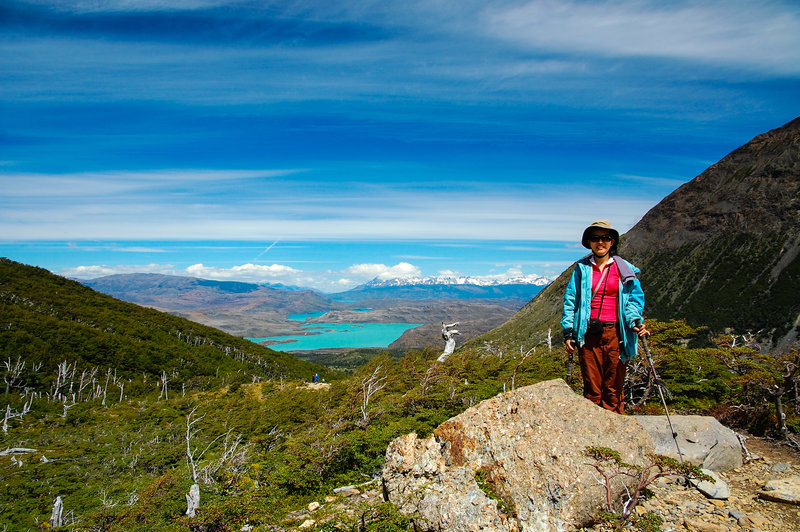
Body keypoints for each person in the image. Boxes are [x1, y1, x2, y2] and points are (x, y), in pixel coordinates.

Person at [561, 220, 649, 414]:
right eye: (595, 238)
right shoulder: (582, 269)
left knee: (613, 387)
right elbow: (571, 300)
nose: (600, 242)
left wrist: (634, 320)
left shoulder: (624, 269)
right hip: (588, 333)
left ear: (612, 242)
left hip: (616, 333)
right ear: (589, 242)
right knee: (591, 388)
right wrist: (569, 332)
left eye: (605, 238)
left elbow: (635, 298)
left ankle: (615, 430)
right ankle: (594, 435)